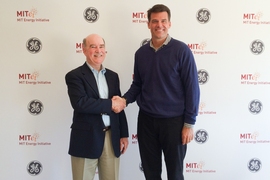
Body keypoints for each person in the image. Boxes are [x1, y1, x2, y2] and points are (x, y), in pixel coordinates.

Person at [113, 4, 200, 180]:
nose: (159, 25)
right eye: (155, 21)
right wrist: (124, 100)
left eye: (163, 21)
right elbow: (137, 84)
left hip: (174, 123)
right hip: (146, 122)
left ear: (169, 23)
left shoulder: (181, 51)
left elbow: (192, 88)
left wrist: (189, 124)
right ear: (148, 24)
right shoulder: (140, 53)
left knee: (175, 174)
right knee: (151, 174)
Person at [65, 34, 129, 180]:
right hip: (85, 139)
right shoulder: (74, 76)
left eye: (101, 46)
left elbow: (119, 108)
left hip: (111, 137)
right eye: (93, 46)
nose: (98, 50)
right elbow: (81, 103)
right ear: (84, 50)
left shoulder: (113, 76)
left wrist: (123, 133)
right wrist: (111, 104)